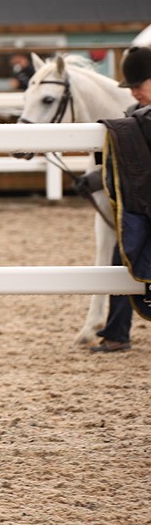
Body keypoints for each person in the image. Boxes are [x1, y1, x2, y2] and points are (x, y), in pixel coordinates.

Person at [87, 45, 151, 353]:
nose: (134, 92)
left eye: (139, 84)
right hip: (144, 205)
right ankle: (116, 332)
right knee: (123, 252)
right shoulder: (133, 116)